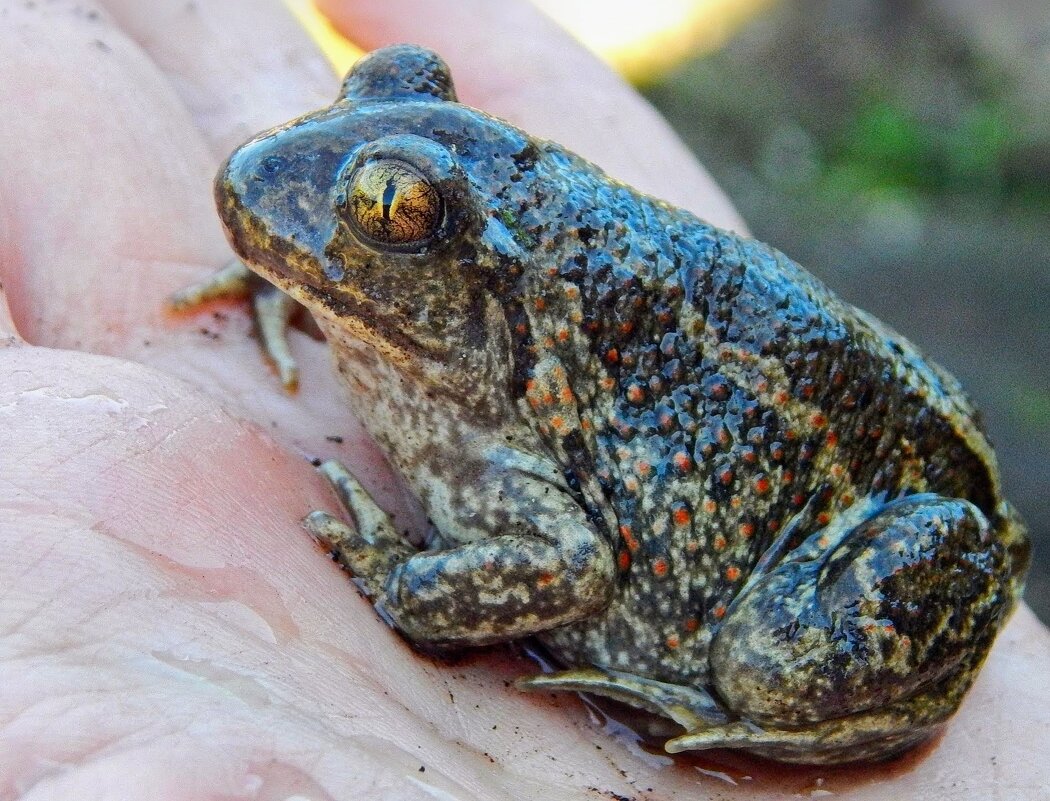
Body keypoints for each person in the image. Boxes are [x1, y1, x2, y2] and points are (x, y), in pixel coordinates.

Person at [1, 0, 1046, 797]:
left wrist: (404, 587)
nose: (287, 179)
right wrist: (307, 281)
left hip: (847, 529)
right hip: (856, 406)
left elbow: (565, 564)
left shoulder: (520, 369)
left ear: (472, 274)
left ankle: (821, 712)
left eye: (386, 211)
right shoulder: (478, 323)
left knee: (773, 665)